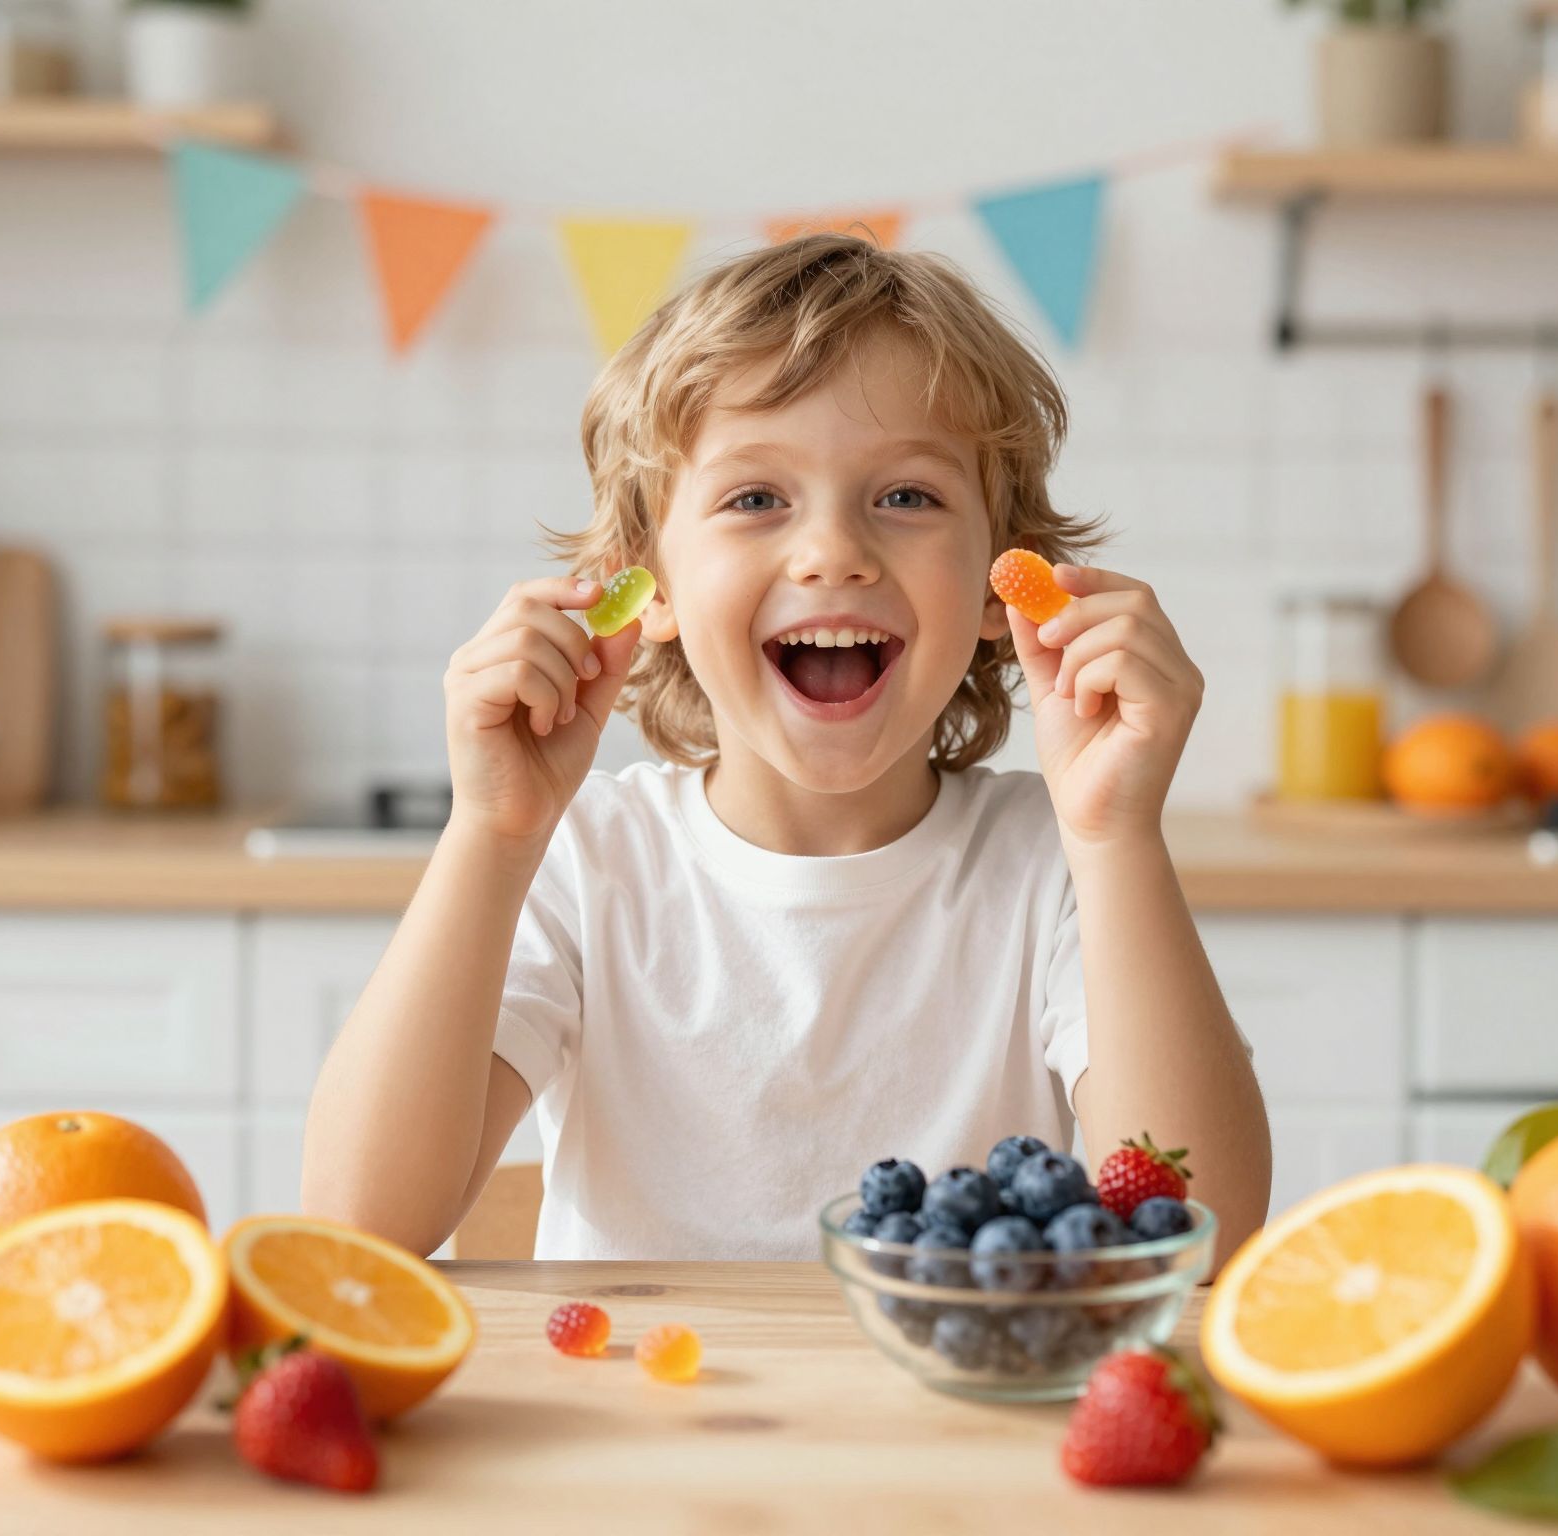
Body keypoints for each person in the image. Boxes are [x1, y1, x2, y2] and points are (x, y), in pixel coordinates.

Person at [304, 233, 1270, 1262]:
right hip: (638, 1415)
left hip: (945, 1420)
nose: (833, 554)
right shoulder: (583, 859)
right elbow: (357, 1227)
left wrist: (1116, 835)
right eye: (754, 498)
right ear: (649, 586)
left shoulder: (1054, 863)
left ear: (1003, 576)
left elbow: (1198, 1240)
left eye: (905, 496)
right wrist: (490, 836)